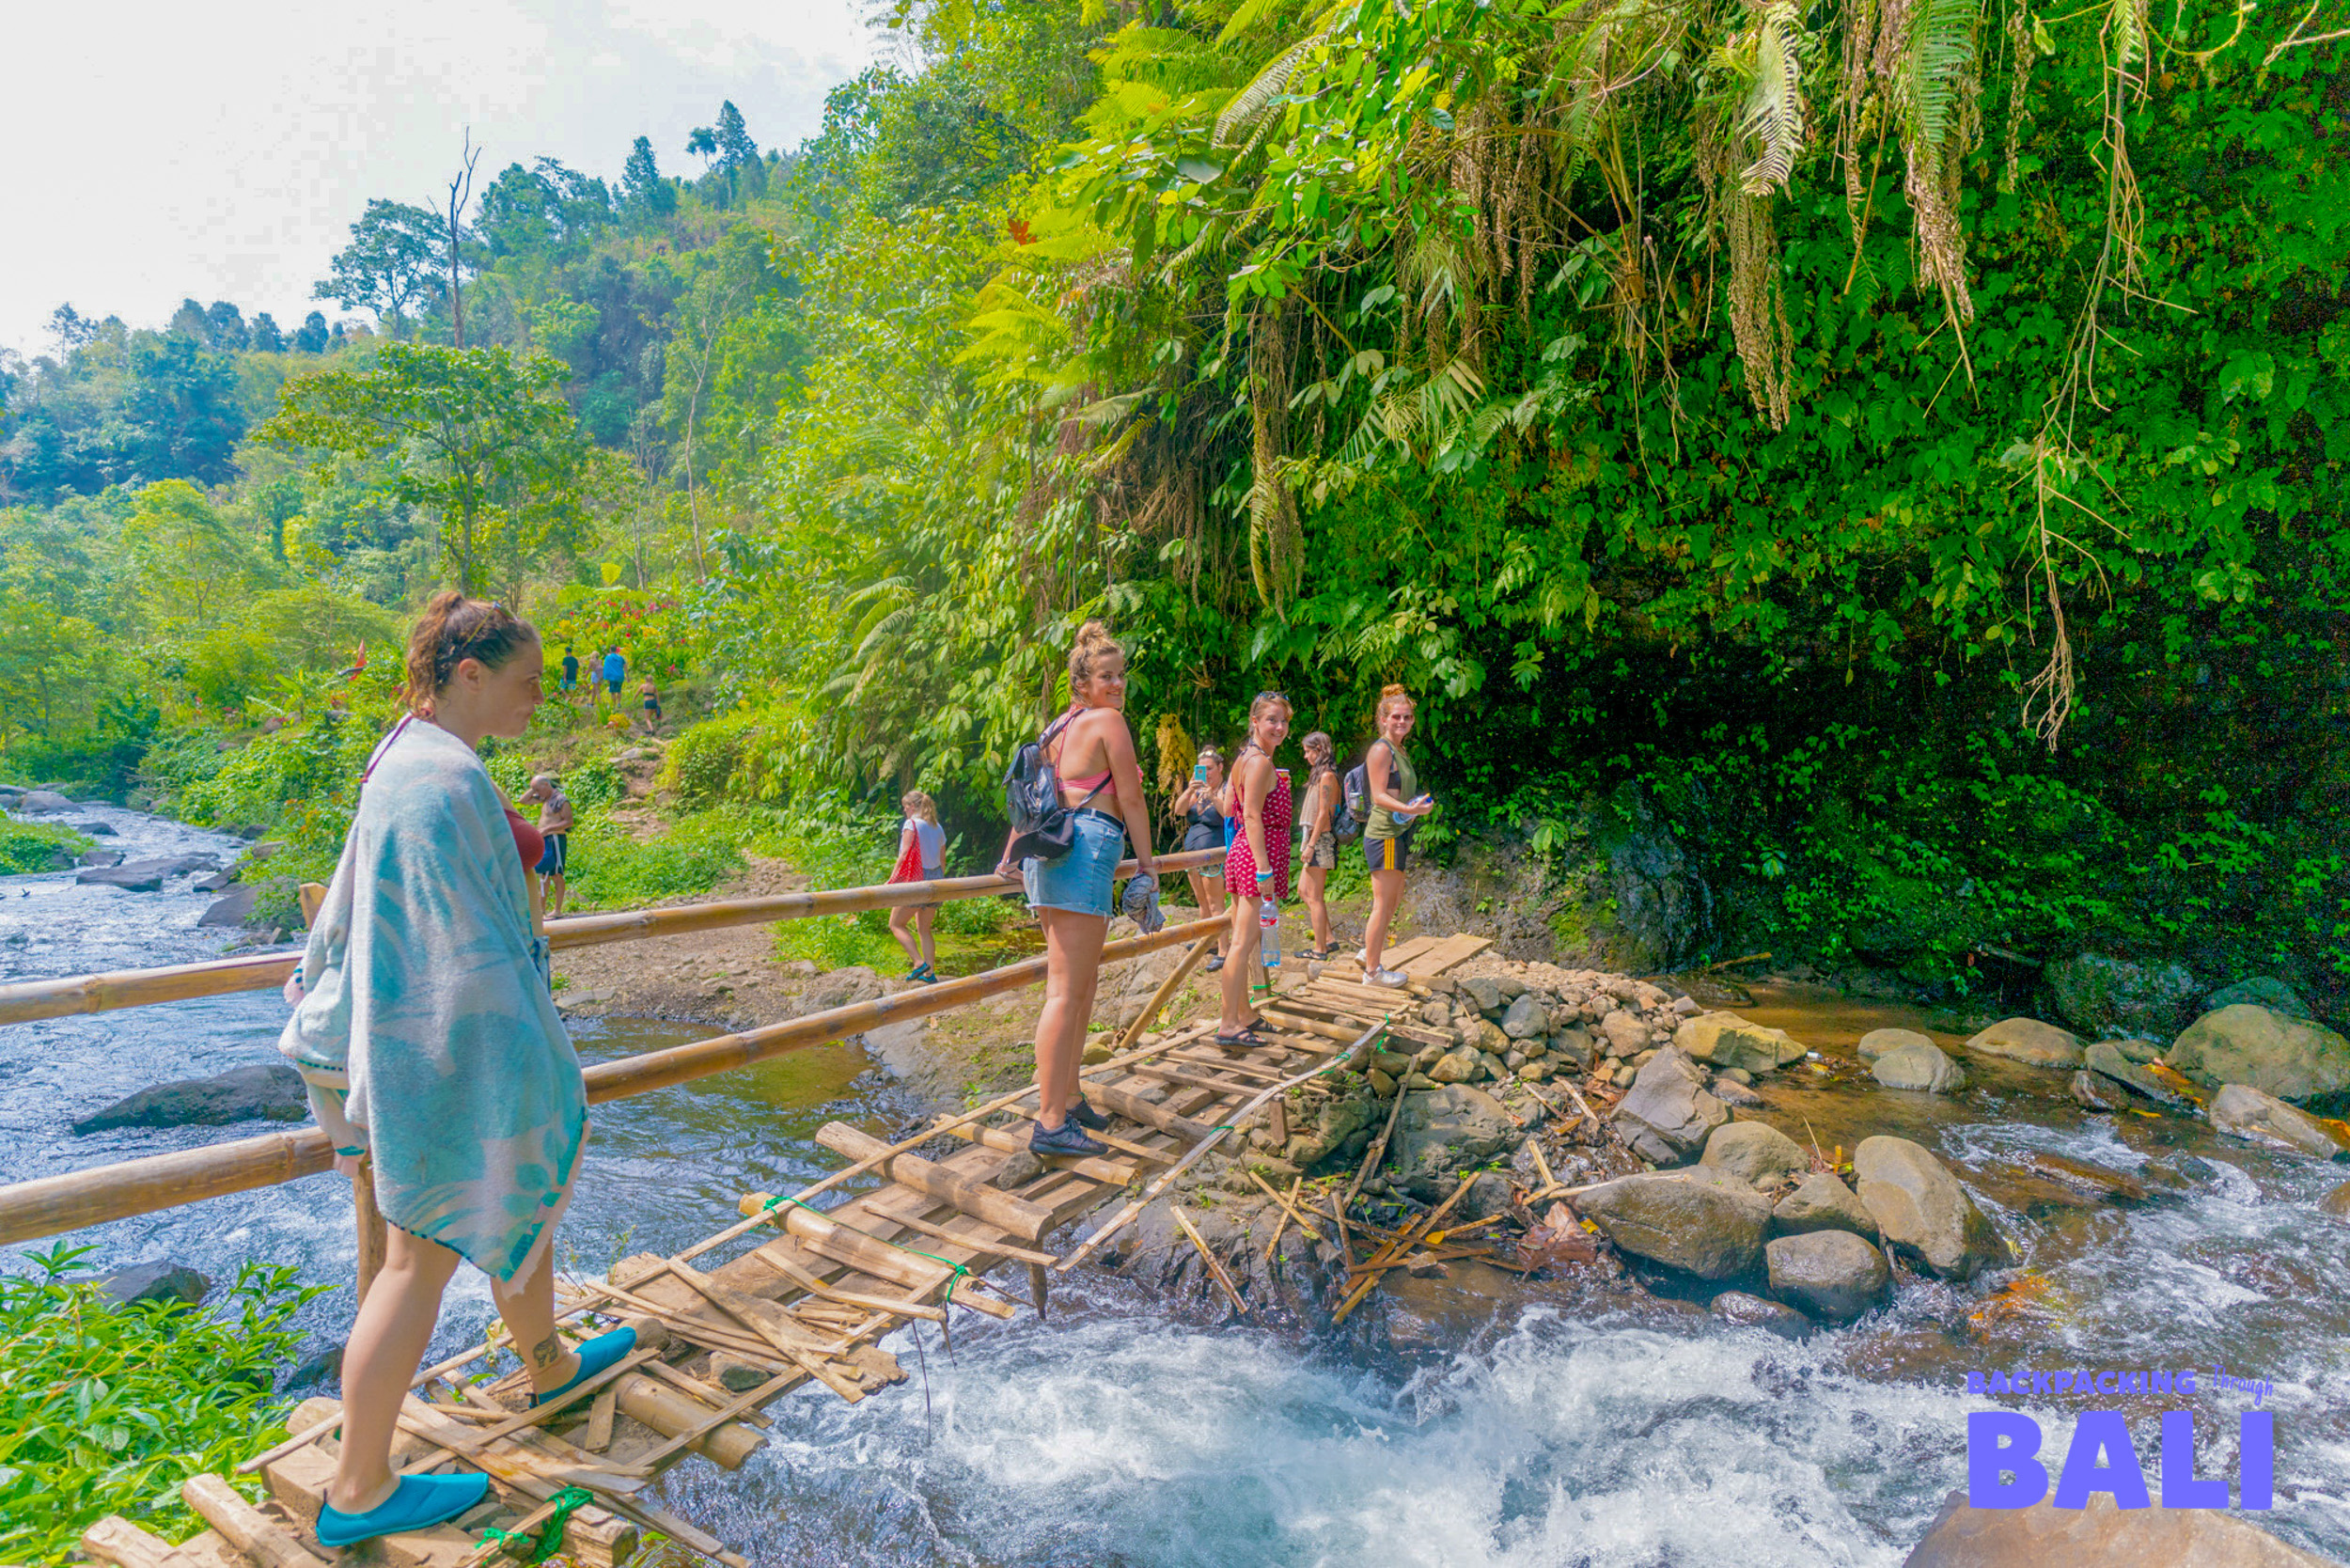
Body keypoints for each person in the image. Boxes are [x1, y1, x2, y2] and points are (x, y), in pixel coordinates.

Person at [277, 590, 627, 1546]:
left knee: (512, 1200)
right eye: (524, 683)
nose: (535, 701)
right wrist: (535, 1050)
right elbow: (460, 947)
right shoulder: (444, 782)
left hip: (411, 1047)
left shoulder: (409, 756)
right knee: (413, 1264)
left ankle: (551, 1367)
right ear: (467, 675)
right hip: (438, 1055)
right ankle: (356, 1488)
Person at [995, 621, 1157, 1156]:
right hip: (1085, 851)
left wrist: (1008, 855)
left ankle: (1067, 1097)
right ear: (1083, 684)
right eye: (1106, 676)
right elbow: (1131, 798)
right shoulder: (1109, 721)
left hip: (1051, 855)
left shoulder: (1053, 729)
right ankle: (1048, 1123)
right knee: (1065, 990)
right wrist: (1147, 866)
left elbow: (1033, 796)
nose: (1117, 685)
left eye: (1121, 675)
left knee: (1079, 986)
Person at [1215, 692, 1293, 1045]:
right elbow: (1248, 814)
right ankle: (1228, 1023)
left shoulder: (1243, 759)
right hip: (1256, 857)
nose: (1279, 727)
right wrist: (1264, 870)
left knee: (1242, 939)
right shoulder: (1260, 763)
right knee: (1242, 943)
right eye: (1272, 720)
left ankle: (1244, 1011)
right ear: (1255, 722)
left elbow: (1229, 804)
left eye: (1284, 721)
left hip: (1241, 854)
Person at [1361, 684, 1434, 987]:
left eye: (1407, 717)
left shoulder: (1399, 749)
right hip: (1385, 834)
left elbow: (1394, 791)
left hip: (1397, 832)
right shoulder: (1381, 749)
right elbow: (1378, 796)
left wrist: (1411, 805)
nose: (1401, 722)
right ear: (1383, 719)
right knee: (1383, 902)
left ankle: (1369, 953)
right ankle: (1373, 973)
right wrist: (1410, 809)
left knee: (1393, 901)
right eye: (1396, 717)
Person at [1167, 746, 1230, 972]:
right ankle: (1208, 942)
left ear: (1220, 767)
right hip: (1192, 856)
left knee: (1216, 903)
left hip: (1214, 853)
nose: (1207, 773)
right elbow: (1179, 811)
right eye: (1202, 770)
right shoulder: (1195, 791)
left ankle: (1223, 949)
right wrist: (1188, 791)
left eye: (1210, 769)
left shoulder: (1225, 789)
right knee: (1201, 901)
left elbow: (1228, 814)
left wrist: (1212, 795)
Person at [888, 790, 945, 982]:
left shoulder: (911, 824)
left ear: (913, 806)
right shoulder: (937, 827)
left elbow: (904, 854)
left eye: (906, 807)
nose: (904, 810)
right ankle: (930, 974)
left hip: (916, 878)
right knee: (924, 929)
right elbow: (942, 859)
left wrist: (892, 878)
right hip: (935, 879)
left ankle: (919, 963)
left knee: (895, 924)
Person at [1294, 731, 1339, 961]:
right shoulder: (1319, 775)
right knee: (1304, 891)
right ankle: (1329, 939)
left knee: (1315, 896)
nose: (1305, 756)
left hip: (1320, 839)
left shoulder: (1328, 777)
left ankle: (1319, 949)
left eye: (1308, 751)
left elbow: (1323, 814)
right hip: (1314, 837)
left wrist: (1311, 845)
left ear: (1320, 750)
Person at [522, 773, 573, 917]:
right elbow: (523, 801)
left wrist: (547, 829)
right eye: (535, 791)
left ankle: (557, 910)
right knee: (544, 874)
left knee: (556, 874)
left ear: (546, 785)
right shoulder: (545, 798)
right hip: (544, 839)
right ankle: (541, 909)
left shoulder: (560, 800)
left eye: (539, 789)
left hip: (556, 838)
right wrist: (534, 788)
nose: (537, 793)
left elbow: (569, 821)